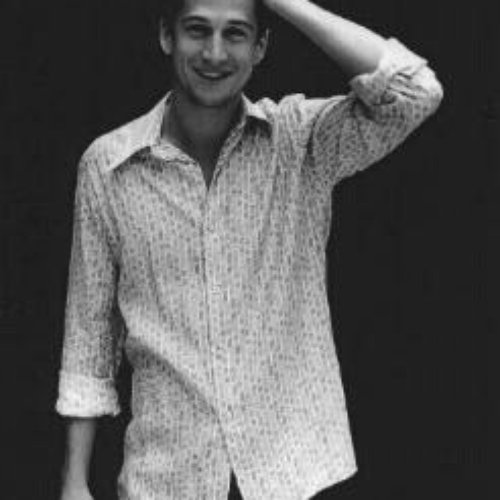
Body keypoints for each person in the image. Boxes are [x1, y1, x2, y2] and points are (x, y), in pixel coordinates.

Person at [56, 0, 443, 499]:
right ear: (167, 36)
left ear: (260, 47)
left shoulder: (299, 143)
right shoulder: (108, 166)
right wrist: (73, 482)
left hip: (297, 474)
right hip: (168, 479)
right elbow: (88, 335)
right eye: (198, 30)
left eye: (236, 33)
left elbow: (416, 92)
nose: (215, 53)